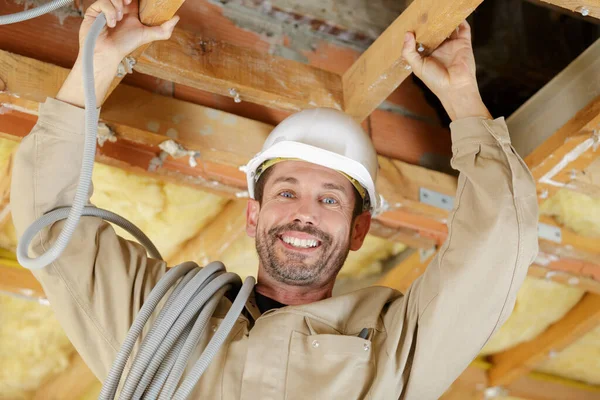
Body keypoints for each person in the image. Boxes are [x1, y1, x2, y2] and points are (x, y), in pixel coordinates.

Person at [10, 0, 539, 398]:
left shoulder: (392, 347)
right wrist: (97, 65)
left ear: (358, 231)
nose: (304, 211)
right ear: (253, 214)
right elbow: (51, 228)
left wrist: (463, 100)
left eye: (331, 200)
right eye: (286, 192)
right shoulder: (156, 323)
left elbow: (497, 247)